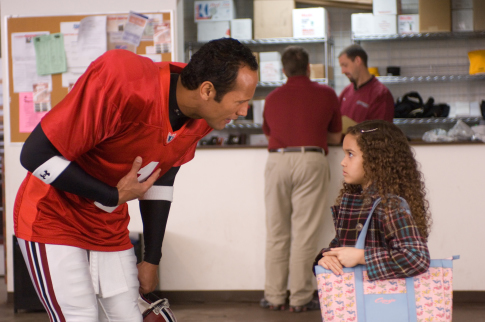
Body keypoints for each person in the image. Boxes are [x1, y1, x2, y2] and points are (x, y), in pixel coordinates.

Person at [14, 38, 258, 322]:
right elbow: (34, 155)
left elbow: (162, 177)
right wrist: (111, 196)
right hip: (52, 217)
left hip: (107, 225)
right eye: (241, 101)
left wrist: (152, 258)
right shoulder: (125, 80)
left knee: (127, 317)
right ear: (207, 90)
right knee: (80, 317)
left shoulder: (202, 117)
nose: (243, 112)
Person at [261, 46, 342, 313]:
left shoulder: (271, 98)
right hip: (311, 159)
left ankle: (273, 296)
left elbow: (268, 132)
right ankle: (300, 298)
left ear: (284, 70)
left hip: (278, 160)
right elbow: (335, 135)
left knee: (277, 232)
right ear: (309, 67)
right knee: (305, 233)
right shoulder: (328, 94)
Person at [315, 120, 431, 281]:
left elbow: (417, 258)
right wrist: (327, 257)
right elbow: (340, 247)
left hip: (386, 302)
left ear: (376, 159)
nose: (342, 162)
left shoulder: (390, 205)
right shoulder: (355, 202)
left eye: (350, 154)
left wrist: (362, 257)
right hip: (358, 300)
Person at [338, 44, 395, 123]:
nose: (342, 71)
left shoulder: (381, 94)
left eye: (345, 65)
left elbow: (381, 132)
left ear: (358, 60)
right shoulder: (345, 92)